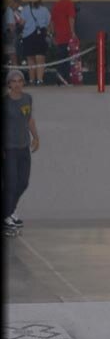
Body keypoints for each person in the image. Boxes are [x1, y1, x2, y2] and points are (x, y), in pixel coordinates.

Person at [2, 70, 40, 235]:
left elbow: (29, 119)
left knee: (23, 183)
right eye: (13, 81)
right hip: (9, 149)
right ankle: (6, 216)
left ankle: (9, 212)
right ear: (9, 84)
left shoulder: (27, 98)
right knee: (10, 185)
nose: (17, 84)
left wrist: (36, 137)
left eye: (20, 81)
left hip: (24, 148)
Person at [20, 0, 51, 86]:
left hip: (27, 36)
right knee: (40, 59)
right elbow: (48, 23)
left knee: (30, 60)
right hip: (40, 35)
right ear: (40, 0)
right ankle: (40, 80)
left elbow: (22, 23)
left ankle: (31, 80)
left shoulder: (25, 9)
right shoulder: (45, 10)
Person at [49, 0, 77, 86]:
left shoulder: (55, 5)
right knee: (67, 58)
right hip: (67, 35)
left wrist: (53, 34)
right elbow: (71, 18)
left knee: (60, 58)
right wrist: (73, 32)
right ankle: (65, 79)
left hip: (58, 36)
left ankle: (60, 79)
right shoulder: (69, 4)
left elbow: (51, 21)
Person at [3, 0, 24, 67]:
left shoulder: (14, 11)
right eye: (18, 4)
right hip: (11, 36)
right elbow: (11, 26)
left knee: (13, 57)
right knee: (13, 57)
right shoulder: (9, 11)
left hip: (12, 36)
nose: (18, 6)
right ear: (14, 3)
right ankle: (15, 71)